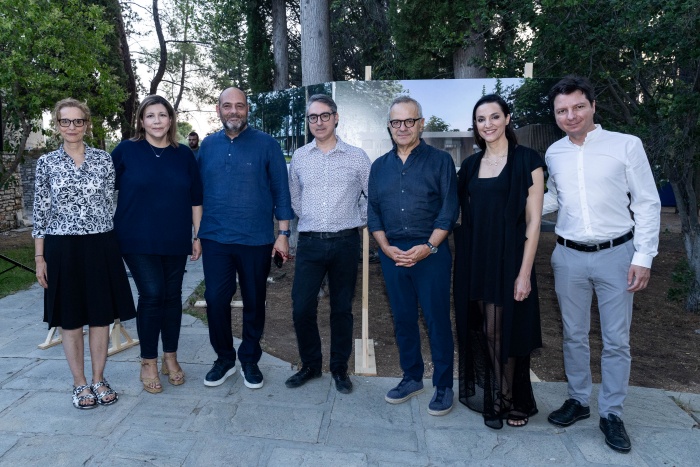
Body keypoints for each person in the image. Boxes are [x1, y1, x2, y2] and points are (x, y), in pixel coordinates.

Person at [542, 76, 661, 453]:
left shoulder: (626, 145)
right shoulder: (554, 153)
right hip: (568, 257)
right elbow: (554, 198)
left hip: (617, 256)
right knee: (573, 334)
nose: (570, 115)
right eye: (562, 110)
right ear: (555, 115)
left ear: (593, 106)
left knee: (616, 340)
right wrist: (513, 207)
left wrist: (643, 257)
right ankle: (578, 400)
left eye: (578, 107)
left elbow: (647, 203)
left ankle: (611, 413)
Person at [33, 98, 136, 409]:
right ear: (57, 125)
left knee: (101, 316)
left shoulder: (104, 160)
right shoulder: (46, 163)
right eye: (65, 121)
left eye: (78, 121)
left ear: (86, 124)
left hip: (100, 244)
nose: (72, 127)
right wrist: (39, 258)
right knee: (70, 318)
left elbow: (110, 203)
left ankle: (99, 379)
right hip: (61, 247)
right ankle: (79, 383)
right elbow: (40, 212)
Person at [453, 94, 545, 429]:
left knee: (504, 329)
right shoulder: (470, 166)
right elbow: (455, 210)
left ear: (507, 118)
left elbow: (533, 221)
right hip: (477, 258)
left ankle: (509, 397)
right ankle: (501, 393)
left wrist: (524, 274)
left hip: (510, 259)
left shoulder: (528, 160)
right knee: (486, 330)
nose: (487, 124)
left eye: (494, 117)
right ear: (475, 126)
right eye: (481, 119)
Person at [368, 96, 459, 415]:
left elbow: (449, 209)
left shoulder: (441, 161)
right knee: (403, 319)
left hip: (431, 253)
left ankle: (444, 385)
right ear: (389, 126)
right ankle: (411, 378)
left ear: (421, 124)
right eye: (396, 122)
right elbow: (374, 212)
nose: (403, 127)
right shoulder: (379, 167)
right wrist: (385, 247)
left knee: (437, 320)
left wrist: (429, 247)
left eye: (409, 121)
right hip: (392, 254)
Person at [198, 87, 293, 389]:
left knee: (254, 300)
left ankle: (250, 359)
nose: (234, 111)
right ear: (218, 110)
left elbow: (281, 191)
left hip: (256, 239)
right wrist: (195, 234)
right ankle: (224, 359)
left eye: (239, 106)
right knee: (215, 300)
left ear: (247, 109)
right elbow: (196, 193)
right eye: (227, 106)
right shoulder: (207, 146)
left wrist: (283, 234)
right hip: (215, 238)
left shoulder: (267, 144)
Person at [112, 95, 203, 394]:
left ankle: (170, 357)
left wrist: (198, 236)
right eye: (150, 116)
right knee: (152, 294)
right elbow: (101, 188)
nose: (157, 121)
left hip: (175, 237)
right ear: (141, 121)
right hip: (135, 237)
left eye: (162, 115)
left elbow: (196, 199)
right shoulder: (126, 151)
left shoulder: (184, 155)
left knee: (172, 296)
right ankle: (148, 361)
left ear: (170, 119)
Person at [285, 94, 371, 394]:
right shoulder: (299, 158)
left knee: (342, 308)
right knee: (301, 307)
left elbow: (372, 196)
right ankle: (311, 365)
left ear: (336, 118)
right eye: (313, 117)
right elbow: (295, 198)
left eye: (324, 116)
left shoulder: (356, 157)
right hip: (310, 243)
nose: (319, 122)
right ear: (308, 121)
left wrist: (356, 218)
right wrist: (312, 218)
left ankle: (339, 368)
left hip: (345, 242)